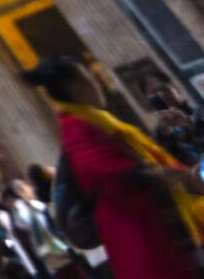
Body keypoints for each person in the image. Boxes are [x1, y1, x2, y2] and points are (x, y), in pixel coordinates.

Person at [22, 55, 204, 278]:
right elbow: (122, 174)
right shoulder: (78, 127)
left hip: (158, 231)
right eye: (89, 77)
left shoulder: (95, 121)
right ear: (74, 86)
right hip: (145, 239)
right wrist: (187, 178)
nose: (97, 83)